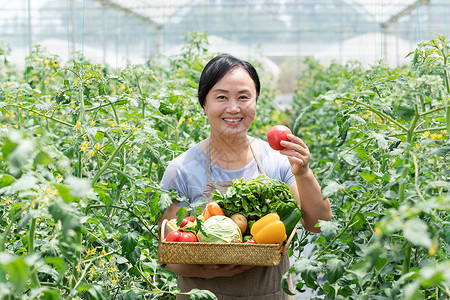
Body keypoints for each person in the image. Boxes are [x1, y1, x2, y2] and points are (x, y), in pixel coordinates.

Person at [159, 53, 332, 299]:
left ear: (256, 102)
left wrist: (303, 172)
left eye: (243, 97)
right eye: (221, 97)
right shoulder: (182, 169)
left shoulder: (278, 160)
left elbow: (318, 224)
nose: (233, 108)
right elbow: (166, 255)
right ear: (204, 104)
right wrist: (211, 272)